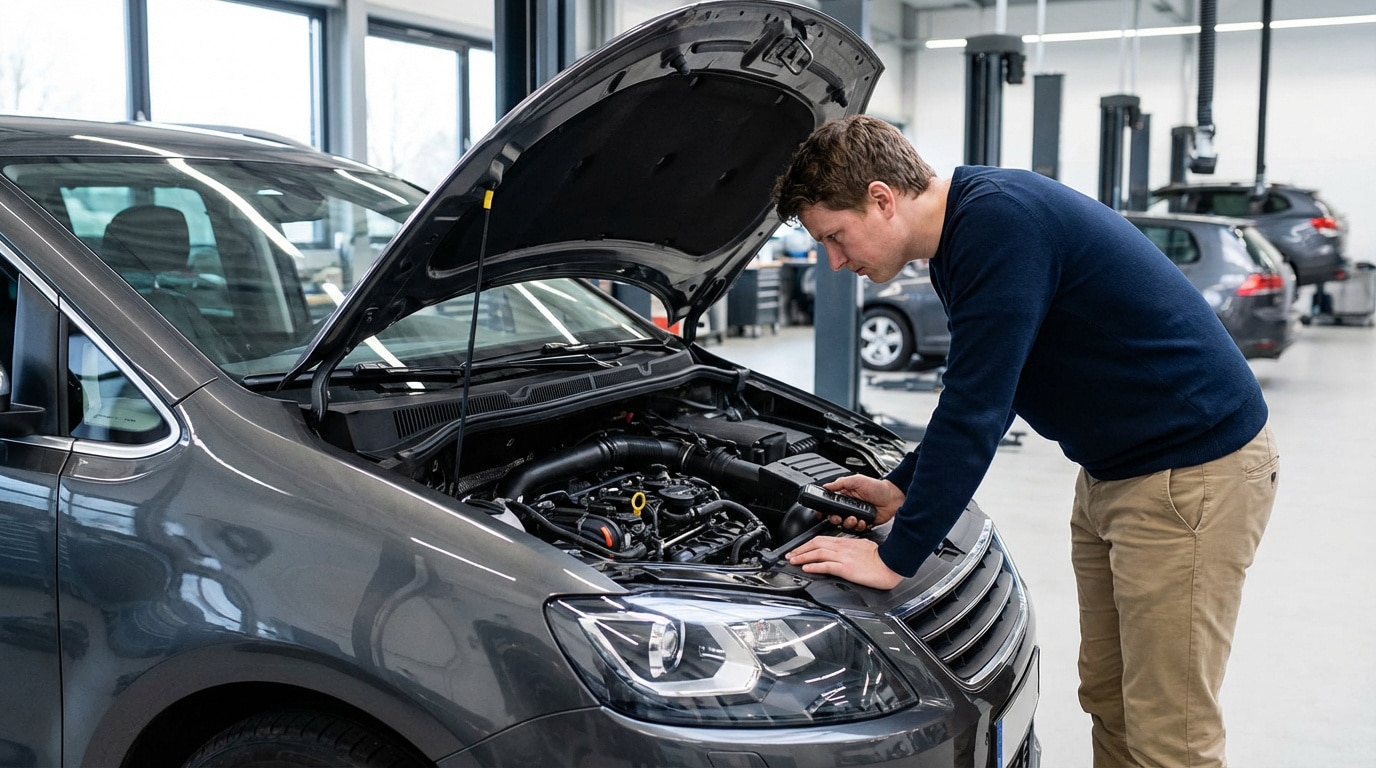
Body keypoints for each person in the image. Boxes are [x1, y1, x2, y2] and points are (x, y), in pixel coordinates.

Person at [775, 115, 1278, 768]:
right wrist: (902, 488)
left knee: (1169, 734)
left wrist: (895, 557)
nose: (837, 263)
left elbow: (976, 408)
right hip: (1117, 474)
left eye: (835, 238)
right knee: (1109, 695)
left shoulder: (997, 224)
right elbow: (995, 383)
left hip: (1190, 478)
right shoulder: (963, 237)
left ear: (881, 198)